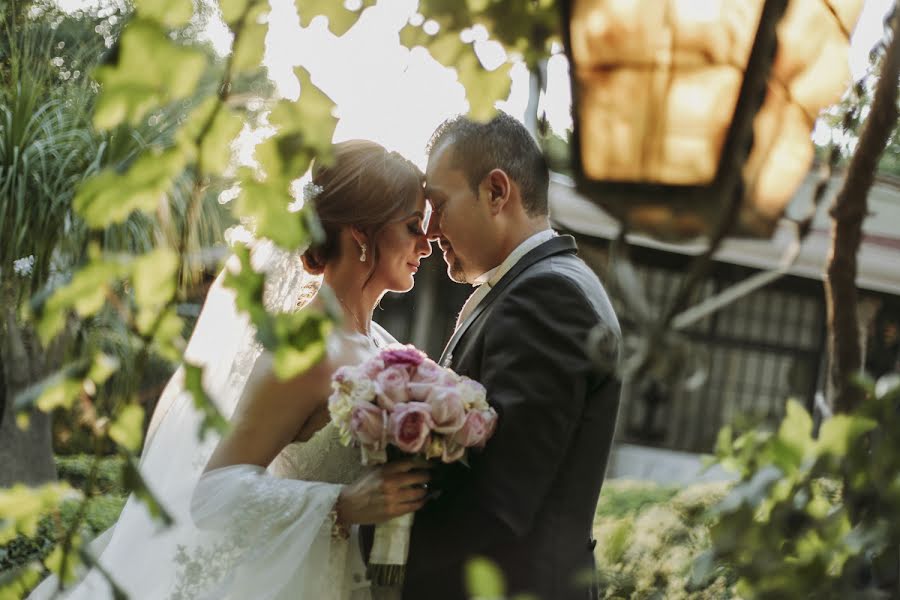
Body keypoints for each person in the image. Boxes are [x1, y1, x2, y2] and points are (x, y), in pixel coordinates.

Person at [29, 139, 433, 600]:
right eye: (412, 226)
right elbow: (212, 496)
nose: (427, 243)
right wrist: (339, 506)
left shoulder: (383, 347)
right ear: (362, 233)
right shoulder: (302, 351)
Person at [400, 112, 622, 600]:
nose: (431, 229)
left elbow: (500, 505)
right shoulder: (543, 286)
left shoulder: (546, 298)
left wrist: (375, 543)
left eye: (439, 203)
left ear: (497, 192)